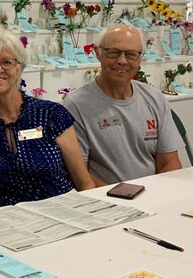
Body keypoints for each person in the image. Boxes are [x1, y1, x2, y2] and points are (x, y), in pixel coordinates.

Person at [0, 29, 94, 212]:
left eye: (7, 62)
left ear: (19, 70)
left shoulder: (51, 114)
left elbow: (84, 182)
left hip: (62, 213)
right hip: (6, 222)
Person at [63, 24, 183, 185]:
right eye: (113, 52)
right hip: (108, 200)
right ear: (97, 53)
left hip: (154, 196)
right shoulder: (76, 104)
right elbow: (80, 174)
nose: (122, 61)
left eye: (131, 54)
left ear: (140, 58)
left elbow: (170, 162)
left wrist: (157, 196)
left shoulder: (155, 98)